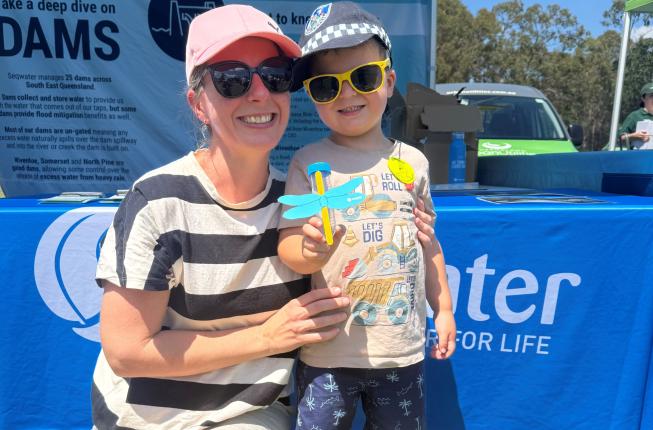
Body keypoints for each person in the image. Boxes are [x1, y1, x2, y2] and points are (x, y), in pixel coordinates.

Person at [90, 5, 353, 429]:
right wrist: (267, 338)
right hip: (149, 419)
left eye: (276, 75)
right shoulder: (158, 202)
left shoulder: (301, 199)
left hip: (252, 416)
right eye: (232, 79)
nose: (259, 94)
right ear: (198, 103)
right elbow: (126, 350)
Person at [277, 2, 456, 428]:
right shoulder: (307, 161)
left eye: (364, 77)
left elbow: (427, 242)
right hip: (327, 352)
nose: (347, 94)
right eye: (325, 86)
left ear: (389, 81)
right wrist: (312, 250)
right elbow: (288, 246)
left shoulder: (414, 162)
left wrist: (444, 309)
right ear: (313, 98)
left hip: (402, 349)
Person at [617, 82, 653, 149]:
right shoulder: (635, 116)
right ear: (643, 98)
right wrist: (634, 136)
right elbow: (621, 138)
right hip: (639, 157)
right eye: (652, 96)